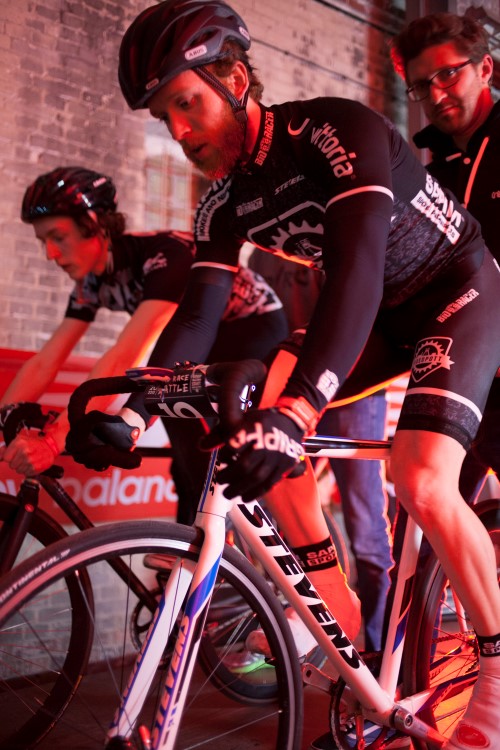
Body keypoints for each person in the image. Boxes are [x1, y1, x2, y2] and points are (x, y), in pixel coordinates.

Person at [64, 4, 500, 748]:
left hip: (454, 290)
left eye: (187, 104)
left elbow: (356, 275)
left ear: (236, 80)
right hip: (378, 315)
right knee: (254, 439)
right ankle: (343, 619)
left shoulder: (335, 132)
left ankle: (494, 677)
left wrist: (298, 412)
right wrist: (133, 412)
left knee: (421, 479)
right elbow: (196, 321)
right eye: (166, 117)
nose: (181, 131)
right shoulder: (221, 204)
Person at [0, 166, 288, 528]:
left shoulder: (163, 255)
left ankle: (236, 534)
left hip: (251, 329)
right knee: (185, 458)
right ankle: (196, 546)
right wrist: (7, 414)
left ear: (95, 225)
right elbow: (48, 359)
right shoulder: (90, 284)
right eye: (43, 241)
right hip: (200, 337)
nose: (50, 254)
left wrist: (53, 441)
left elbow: (130, 351)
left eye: (58, 237)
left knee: (203, 443)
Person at [249, 251, 393, 653]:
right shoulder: (259, 253)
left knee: (365, 521)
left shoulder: (332, 231)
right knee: (278, 494)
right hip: (292, 374)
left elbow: (359, 305)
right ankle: (308, 626)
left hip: (354, 384)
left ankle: (380, 651)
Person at [390, 11, 500, 506]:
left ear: (485, 69)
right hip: (456, 370)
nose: (435, 95)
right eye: (421, 85)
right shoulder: (428, 175)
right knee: (423, 513)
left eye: (449, 74)